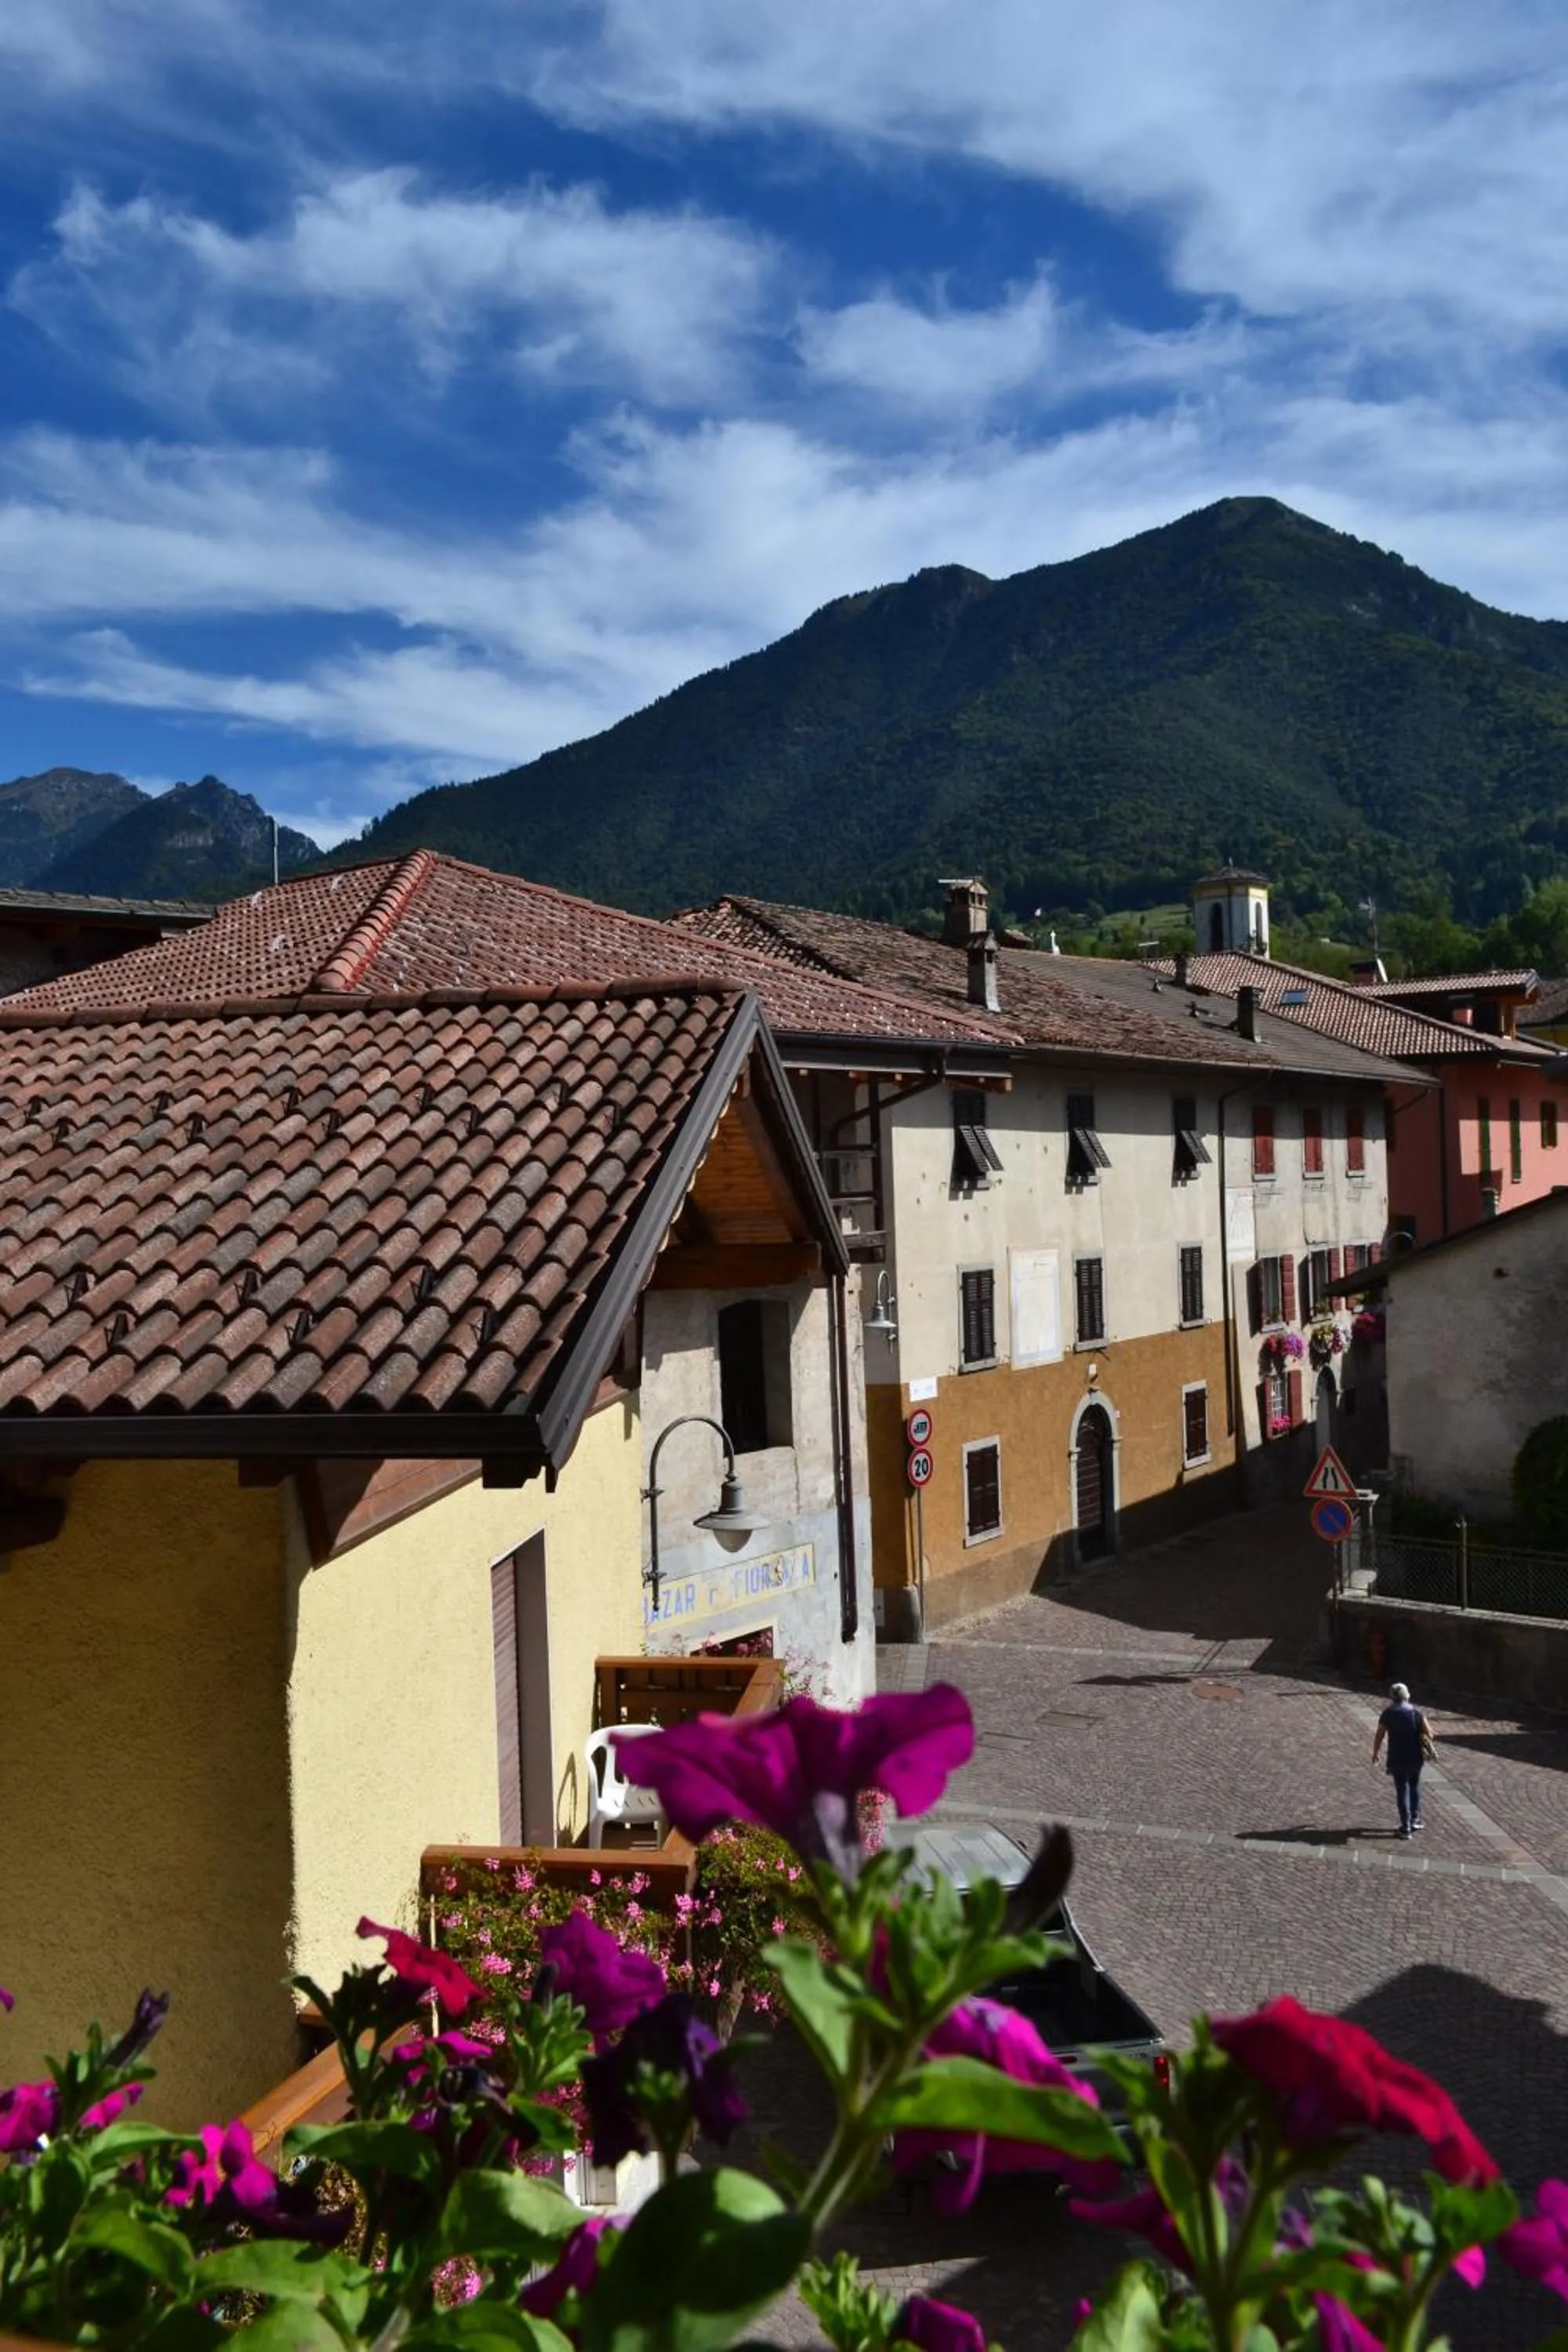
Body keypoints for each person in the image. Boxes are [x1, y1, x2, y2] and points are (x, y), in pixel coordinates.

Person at [1372, 1682, 1436, 1838]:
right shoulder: (1416, 1712)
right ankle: (1415, 1819)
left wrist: (1375, 1752)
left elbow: (1380, 1734)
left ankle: (1405, 1826)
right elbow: (1430, 1735)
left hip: (1396, 1757)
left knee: (1402, 1789)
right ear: (1407, 1695)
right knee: (1414, 1786)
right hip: (1415, 1756)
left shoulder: (1388, 1713)